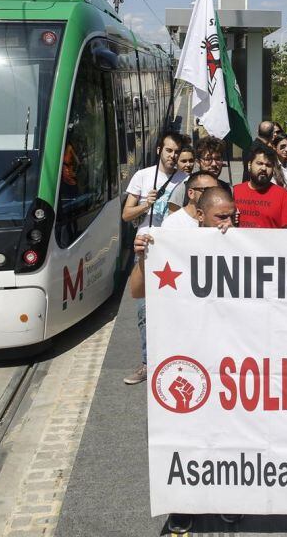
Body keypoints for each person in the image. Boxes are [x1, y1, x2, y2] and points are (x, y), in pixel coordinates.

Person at [129, 185, 239, 534]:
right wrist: (145, 257)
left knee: (229, 433)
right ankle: (182, 506)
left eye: (233, 216)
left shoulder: (243, 244)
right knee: (184, 434)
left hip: (227, 359)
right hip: (186, 359)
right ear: (201, 216)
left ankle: (229, 496)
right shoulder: (173, 245)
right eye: (222, 216)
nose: (229, 222)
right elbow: (136, 291)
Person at [121, 131, 187, 386]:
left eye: (176, 152)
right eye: (169, 151)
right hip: (146, 252)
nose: (173, 156)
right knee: (144, 310)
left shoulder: (186, 180)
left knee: (175, 310)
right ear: (160, 150)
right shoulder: (143, 176)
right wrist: (145, 206)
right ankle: (148, 362)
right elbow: (127, 215)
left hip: (174, 254)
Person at [234, 142, 287, 228]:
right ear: (249, 165)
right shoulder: (234, 192)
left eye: (268, 165)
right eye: (259, 163)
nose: (263, 168)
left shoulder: (285, 197)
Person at [167, 136, 231, 212]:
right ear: (198, 162)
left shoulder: (227, 189)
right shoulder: (184, 189)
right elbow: (172, 220)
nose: (214, 163)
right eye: (208, 159)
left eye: (218, 159)